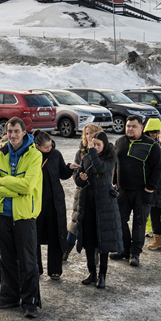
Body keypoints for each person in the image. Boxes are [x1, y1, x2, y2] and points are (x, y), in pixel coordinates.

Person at [0, 118, 43, 317]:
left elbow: (28, 186)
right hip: (2, 213)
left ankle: (30, 302)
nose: (12, 135)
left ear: (24, 132)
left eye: (16, 131)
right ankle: (10, 297)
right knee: (6, 258)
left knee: (28, 261)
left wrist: (5, 181)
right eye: (9, 131)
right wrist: (15, 190)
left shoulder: (35, 154)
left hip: (24, 215)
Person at [110, 116, 161, 267]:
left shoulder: (151, 145)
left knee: (139, 223)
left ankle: (135, 253)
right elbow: (116, 163)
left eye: (133, 126)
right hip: (123, 190)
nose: (130, 129)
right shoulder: (120, 142)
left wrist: (150, 188)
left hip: (142, 191)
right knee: (120, 220)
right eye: (128, 126)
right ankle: (124, 249)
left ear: (141, 127)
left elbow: (158, 169)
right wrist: (114, 181)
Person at [74, 131, 122, 288]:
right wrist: (80, 179)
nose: (94, 147)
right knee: (89, 241)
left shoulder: (110, 157)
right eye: (92, 144)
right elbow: (78, 178)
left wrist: (92, 151)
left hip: (105, 206)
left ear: (105, 145)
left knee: (103, 243)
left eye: (98, 145)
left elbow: (101, 169)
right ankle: (92, 273)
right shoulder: (87, 156)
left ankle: (102, 275)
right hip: (88, 204)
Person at [33, 130, 73, 281]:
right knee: (34, 235)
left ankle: (55, 269)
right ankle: (36, 267)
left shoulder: (56, 154)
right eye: (46, 148)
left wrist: (69, 168)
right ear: (37, 146)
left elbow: (62, 173)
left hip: (55, 202)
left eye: (50, 146)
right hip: (36, 202)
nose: (50, 149)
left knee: (56, 235)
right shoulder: (31, 156)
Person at [67, 123, 105, 256]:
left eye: (92, 133)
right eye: (87, 133)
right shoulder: (81, 152)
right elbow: (76, 171)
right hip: (82, 191)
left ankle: (95, 254)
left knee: (94, 224)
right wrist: (80, 177)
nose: (89, 136)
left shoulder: (103, 150)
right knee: (75, 221)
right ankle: (67, 248)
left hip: (97, 193)